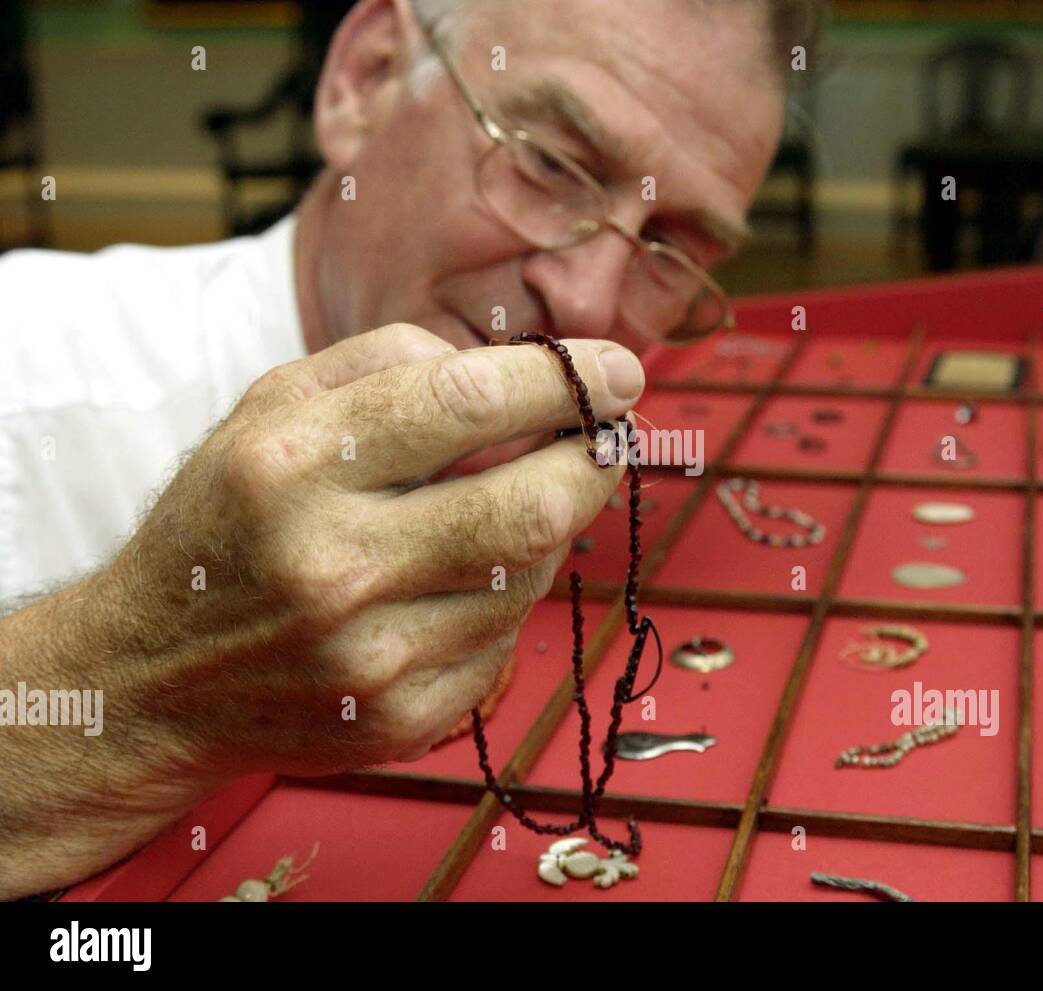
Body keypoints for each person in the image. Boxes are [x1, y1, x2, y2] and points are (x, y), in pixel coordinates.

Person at [0, 0, 821, 899]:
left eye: (668, 247)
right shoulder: (25, 373)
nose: (589, 301)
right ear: (367, 79)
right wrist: (144, 689)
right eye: (551, 165)